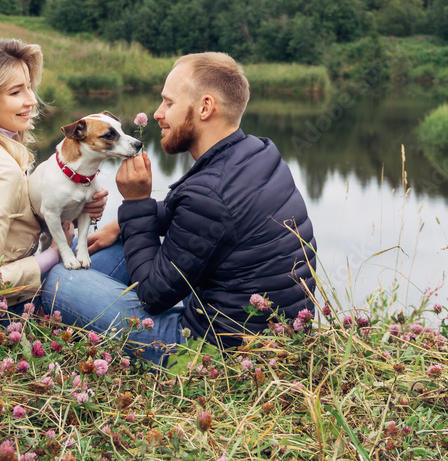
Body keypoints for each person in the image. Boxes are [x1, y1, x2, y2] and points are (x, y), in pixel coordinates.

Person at [41, 52, 317, 363]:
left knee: (56, 281)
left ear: (205, 107)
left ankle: (31, 319)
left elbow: (152, 296)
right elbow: (199, 218)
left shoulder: (209, 194)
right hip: (265, 328)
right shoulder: (257, 153)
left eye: (168, 103)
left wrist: (135, 203)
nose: (158, 113)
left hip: (211, 351)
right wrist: (121, 224)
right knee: (94, 246)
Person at [0, 39, 114, 313]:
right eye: (16, 92)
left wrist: (68, 206)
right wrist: (56, 253)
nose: (31, 100)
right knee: (121, 253)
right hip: (8, 309)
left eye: (29, 86)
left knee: (113, 244)